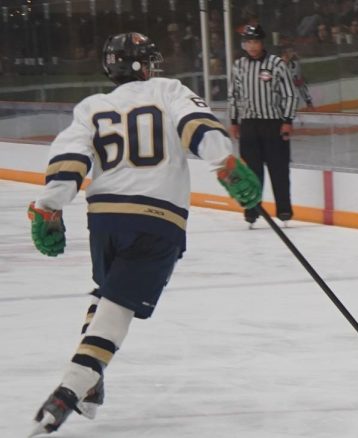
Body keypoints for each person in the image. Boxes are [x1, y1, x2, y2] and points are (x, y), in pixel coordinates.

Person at [27, 32, 261, 436]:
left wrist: (50, 205)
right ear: (144, 65)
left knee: (106, 294)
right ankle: (72, 387)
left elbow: (70, 157)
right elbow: (197, 125)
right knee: (117, 311)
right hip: (157, 219)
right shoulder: (168, 89)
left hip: (105, 221)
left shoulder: (92, 107)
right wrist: (225, 162)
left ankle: (92, 387)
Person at [228, 24, 300, 225]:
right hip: (249, 125)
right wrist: (234, 121)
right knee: (251, 173)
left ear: (262, 43)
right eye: (248, 42)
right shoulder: (239, 66)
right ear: (243, 44)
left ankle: (284, 211)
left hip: (273, 125)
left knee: (279, 170)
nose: (252, 46)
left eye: (256, 41)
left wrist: (287, 120)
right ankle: (251, 211)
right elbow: (233, 95)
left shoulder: (276, 64)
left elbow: (289, 94)